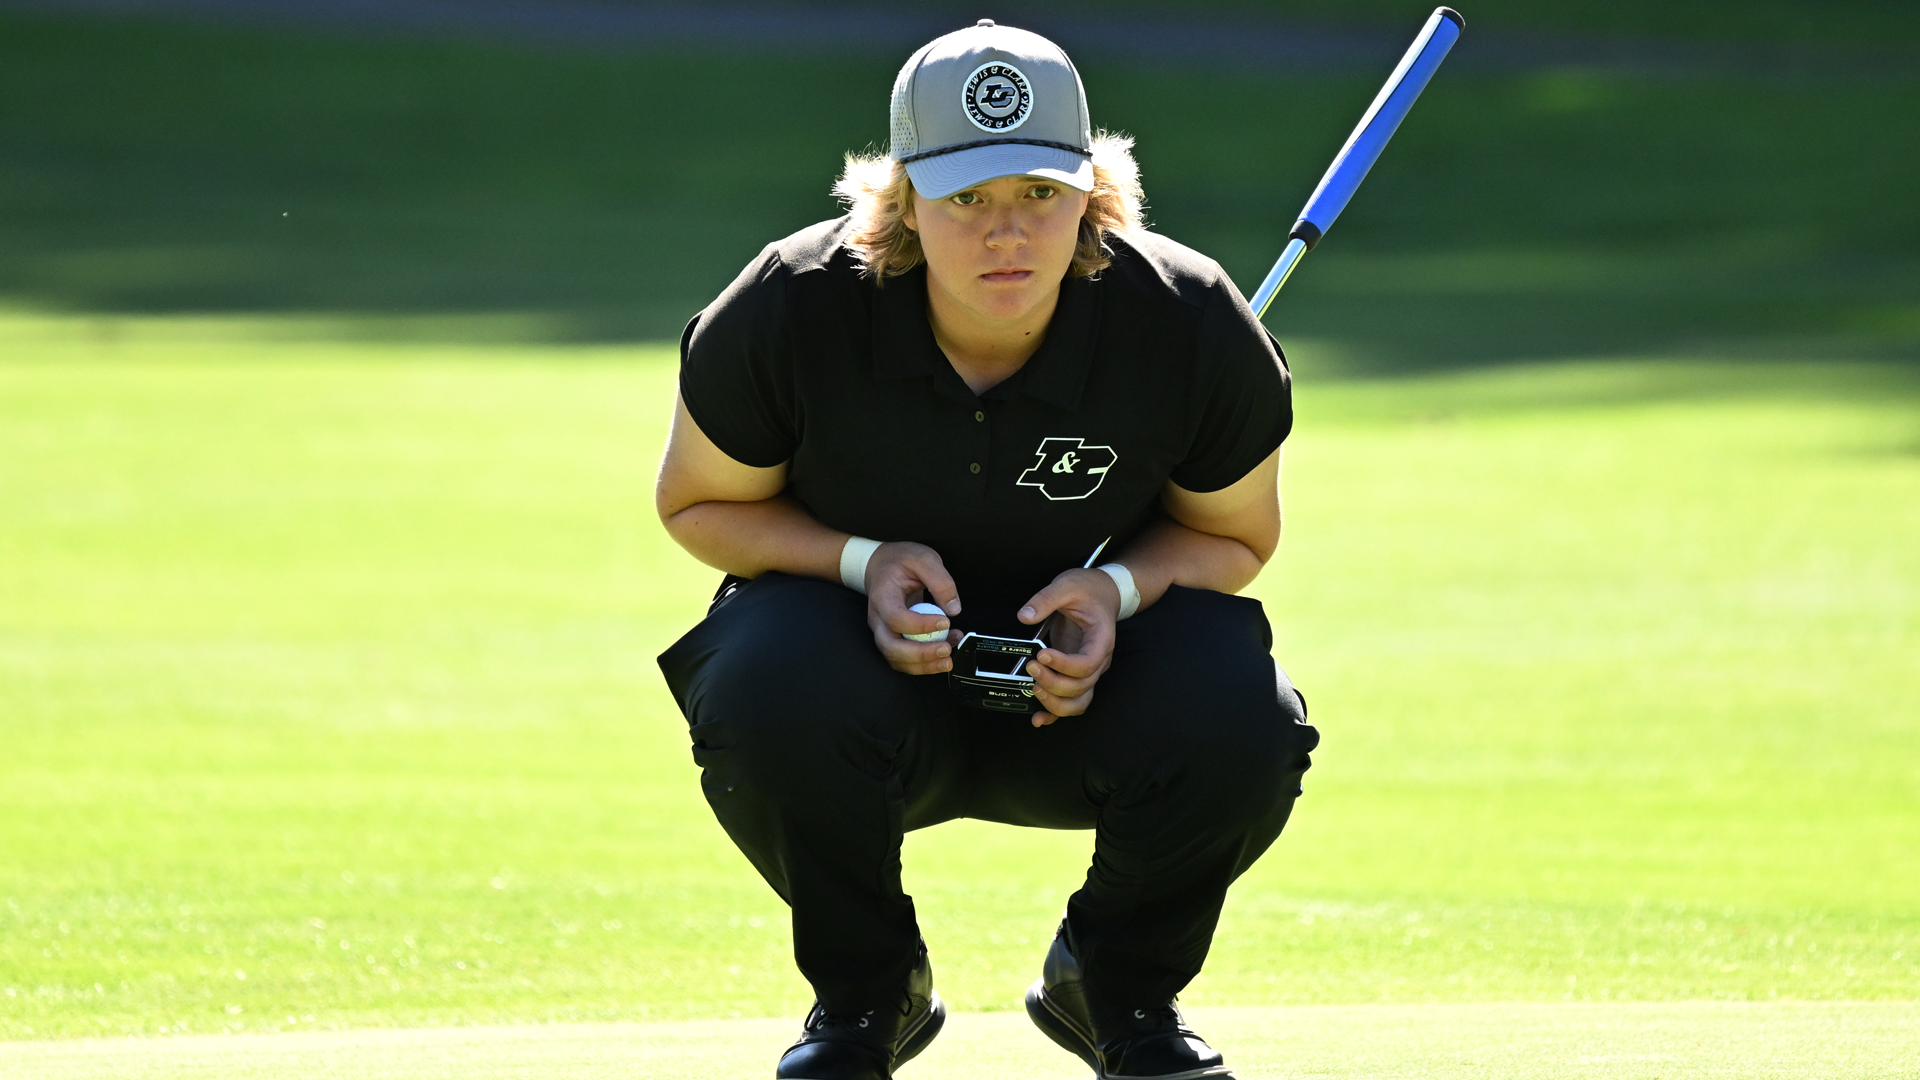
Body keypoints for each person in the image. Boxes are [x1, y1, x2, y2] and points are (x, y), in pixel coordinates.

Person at [656, 19, 1318, 1080]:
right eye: (965, 199)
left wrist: (1115, 588)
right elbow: (698, 508)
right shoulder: (791, 304)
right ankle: (866, 1001)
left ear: (1093, 194)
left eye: (1040, 196)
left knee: (1241, 707)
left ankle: (1117, 993)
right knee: (762, 675)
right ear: (902, 198)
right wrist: (861, 563)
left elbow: (1235, 538)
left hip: (1098, 699)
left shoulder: (1188, 320)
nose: (1005, 233)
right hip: (858, 693)